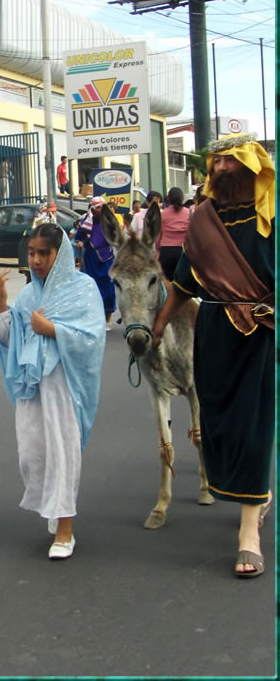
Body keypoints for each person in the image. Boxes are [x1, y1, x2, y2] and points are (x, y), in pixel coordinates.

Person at [152, 133, 274, 579]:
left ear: (252, 163)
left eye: (231, 160)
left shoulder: (271, 212)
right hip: (215, 333)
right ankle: (257, 493)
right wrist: (162, 320)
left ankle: (248, 533)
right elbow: (185, 281)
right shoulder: (205, 219)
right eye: (216, 161)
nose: (221, 168)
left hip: (261, 333)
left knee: (252, 425)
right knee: (219, 424)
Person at [0, 224, 105, 559]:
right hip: (32, 388)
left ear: (61, 254)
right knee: (32, 454)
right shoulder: (28, 295)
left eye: (45, 253)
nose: (37, 260)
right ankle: (54, 508)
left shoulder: (83, 289)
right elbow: (13, 341)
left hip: (64, 387)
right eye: (32, 253)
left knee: (62, 452)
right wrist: (1, 300)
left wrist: (52, 329)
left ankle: (65, 529)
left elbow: (92, 338)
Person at [74, 196, 116, 331]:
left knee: (109, 290)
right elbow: (78, 236)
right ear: (93, 209)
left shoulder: (109, 221)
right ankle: (91, 319)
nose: (101, 210)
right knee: (90, 289)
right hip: (91, 259)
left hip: (107, 258)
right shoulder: (87, 221)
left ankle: (107, 321)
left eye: (103, 207)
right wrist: (80, 242)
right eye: (98, 208)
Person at [158, 186, 191, 280]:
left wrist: (157, 249)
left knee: (167, 281)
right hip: (183, 250)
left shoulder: (163, 214)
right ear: (183, 198)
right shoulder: (189, 213)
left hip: (166, 251)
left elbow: (158, 235)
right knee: (183, 281)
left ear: (168, 198)